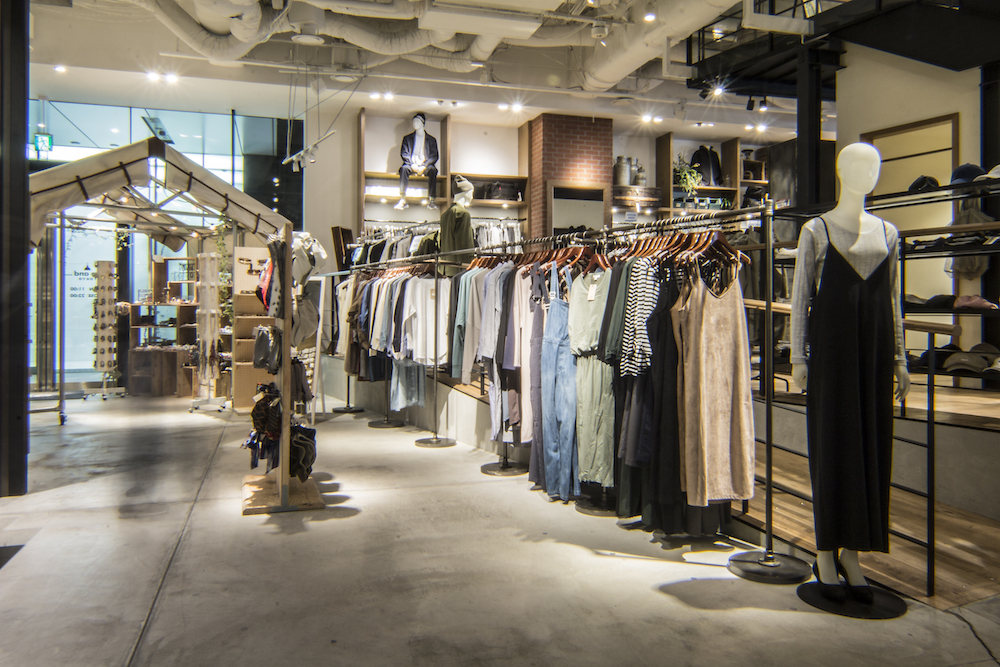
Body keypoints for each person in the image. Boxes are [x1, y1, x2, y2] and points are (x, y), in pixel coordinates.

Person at [789, 142, 910, 604]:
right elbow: (800, 299)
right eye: (860, 164)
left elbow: (894, 302)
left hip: (875, 353)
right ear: (841, 170)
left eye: (876, 165)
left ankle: (854, 553)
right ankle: (825, 552)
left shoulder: (889, 233)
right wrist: (798, 358)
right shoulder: (816, 230)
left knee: (872, 447)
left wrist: (900, 358)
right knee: (831, 446)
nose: (870, 173)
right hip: (832, 357)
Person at [395, 113, 439, 211]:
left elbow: (434, 156)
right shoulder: (407, 138)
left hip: (426, 165)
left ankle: (431, 199)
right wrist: (412, 164)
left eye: (417, 121)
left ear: (423, 123)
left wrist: (424, 165)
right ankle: (402, 198)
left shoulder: (431, 140)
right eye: (414, 121)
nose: (415, 123)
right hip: (411, 164)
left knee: (433, 170)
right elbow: (404, 153)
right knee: (404, 169)